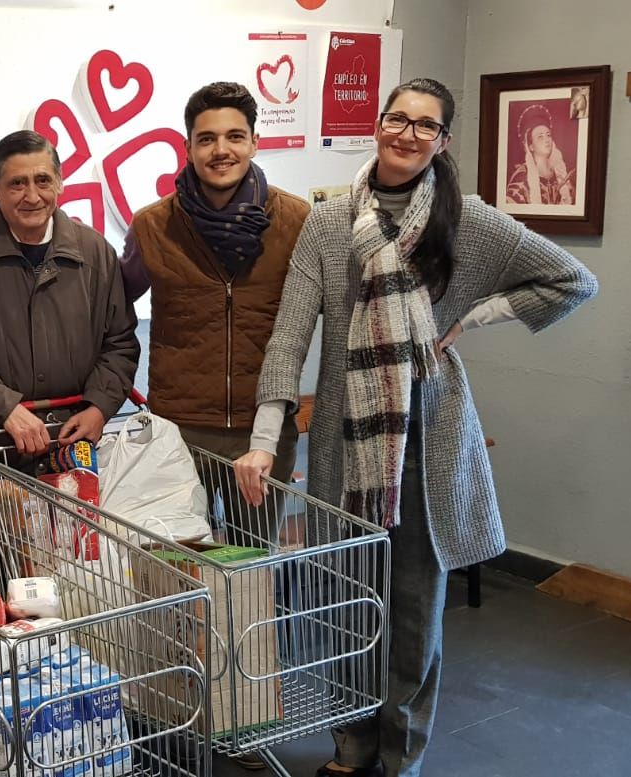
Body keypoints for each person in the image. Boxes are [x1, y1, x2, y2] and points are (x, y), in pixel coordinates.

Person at [234, 78, 598, 777]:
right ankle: (352, 745)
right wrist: (262, 436)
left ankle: (401, 757)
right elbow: (287, 338)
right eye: (396, 119)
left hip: (428, 438)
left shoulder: (468, 221)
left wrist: (467, 318)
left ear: (442, 141)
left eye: (423, 125)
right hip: (346, 437)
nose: (406, 133)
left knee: (412, 611)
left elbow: (572, 280)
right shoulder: (329, 221)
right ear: (377, 125)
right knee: (344, 594)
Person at [0, 130, 139, 591]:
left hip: (78, 449)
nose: (31, 195)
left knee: (80, 568)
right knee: (2, 569)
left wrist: (98, 408)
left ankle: (75, 661)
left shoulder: (95, 253)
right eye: (16, 184)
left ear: (60, 183)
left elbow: (121, 342)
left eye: (41, 180)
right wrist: (6, 406)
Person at [120, 81, 311, 541]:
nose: (220, 150)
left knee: (252, 562)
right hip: (179, 430)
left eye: (234, 136)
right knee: (182, 562)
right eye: (206, 139)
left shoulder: (295, 220)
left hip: (262, 432)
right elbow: (112, 306)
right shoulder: (153, 225)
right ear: (188, 148)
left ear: (254, 142)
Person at [504, 104, 575, 205]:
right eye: (540, 137)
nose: (547, 140)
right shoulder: (521, 178)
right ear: (531, 146)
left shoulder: (559, 174)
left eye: (548, 135)